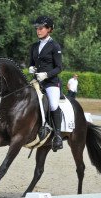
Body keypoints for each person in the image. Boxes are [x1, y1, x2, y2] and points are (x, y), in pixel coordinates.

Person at [29, 16, 63, 152]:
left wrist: (47, 75)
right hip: (36, 81)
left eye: (41, 28)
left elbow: (59, 68)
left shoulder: (55, 46)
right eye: (37, 28)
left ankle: (58, 136)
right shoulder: (34, 46)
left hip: (50, 83)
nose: (38, 31)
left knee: (54, 105)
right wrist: (31, 67)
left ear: (49, 29)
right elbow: (31, 63)